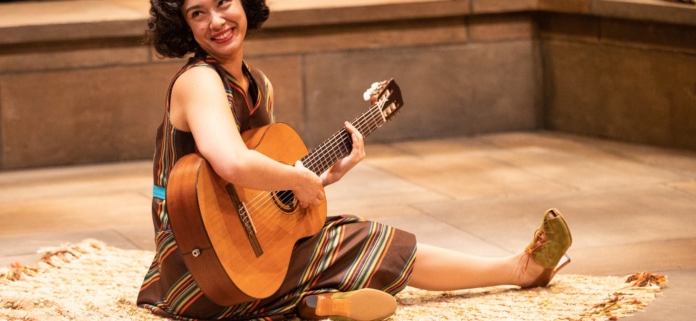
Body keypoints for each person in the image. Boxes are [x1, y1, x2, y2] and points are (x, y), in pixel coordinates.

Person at [136, 0, 573, 320]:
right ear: (184, 26)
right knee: (361, 239)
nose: (216, 21)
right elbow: (231, 164)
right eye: (197, 13)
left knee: (331, 232)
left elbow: (255, 188)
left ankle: (315, 305)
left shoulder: (258, 85)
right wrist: (299, 179)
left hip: (232, 254)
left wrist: (320, 178)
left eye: (223, 2)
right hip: (198, 275)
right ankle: (518, 270)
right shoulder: (199, 82)